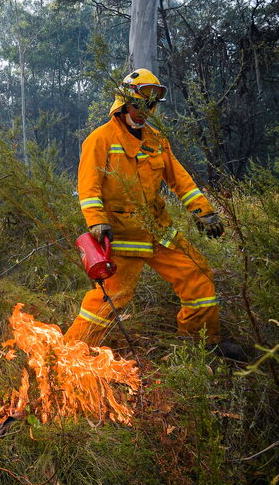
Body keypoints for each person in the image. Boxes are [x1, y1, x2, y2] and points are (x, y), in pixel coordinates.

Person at [65, 69, 243, 359]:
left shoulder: (157, 139)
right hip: (120, 236)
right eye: (138, 105)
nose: (144, 112)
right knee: (110, 300)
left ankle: (202, 345)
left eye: (150, 106)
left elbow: (179, 178)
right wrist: (97, 222)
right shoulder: (99, 139)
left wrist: (204, 212)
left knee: (197, 276)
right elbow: (88, 187)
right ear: (123, 103)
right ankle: (71, 355)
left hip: (158, 230)